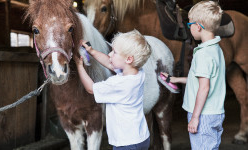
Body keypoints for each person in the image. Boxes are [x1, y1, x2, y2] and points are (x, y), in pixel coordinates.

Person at [162, 1, 225, 149]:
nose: (189, 29)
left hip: (203, 116)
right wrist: (175, 79)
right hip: (215, 113)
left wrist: (195, 117)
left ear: (198, 26)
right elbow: (201, 79)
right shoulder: (216, 49)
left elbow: (204, 88)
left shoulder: (203, 54)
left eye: (190, 25)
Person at [74, 30, 151, 150]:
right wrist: (92, 51)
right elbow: (111, 64)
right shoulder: (137, 73)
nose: (110, 54)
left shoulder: (119, 83)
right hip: (141, 137)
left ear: (129, 59)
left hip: (126, 143)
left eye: (114, 52)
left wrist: (79, 66)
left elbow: (91, 88)